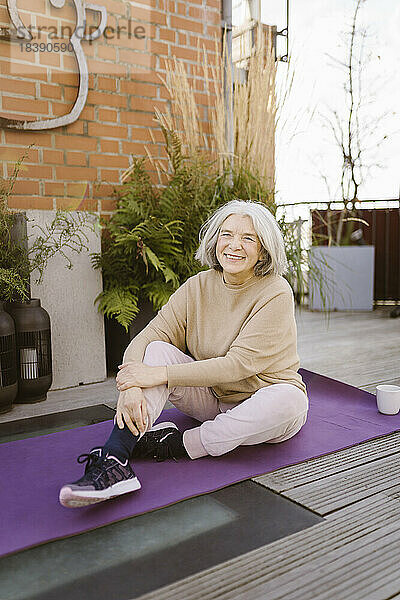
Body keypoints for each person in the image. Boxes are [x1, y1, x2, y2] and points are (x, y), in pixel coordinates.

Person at [59, 200, 308, 508]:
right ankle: (116, 458)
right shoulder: (197, 286)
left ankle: (175, 444)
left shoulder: (276, 292)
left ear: (264, 249)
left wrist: (160, 375)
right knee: (158, 351)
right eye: (226, 234)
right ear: (215, 239)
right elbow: (150, 336)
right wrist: (131, 385)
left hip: (263, 403)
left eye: (248, 238)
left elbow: (238, 365)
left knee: (290, 401)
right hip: (213, 400)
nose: (234, 245)